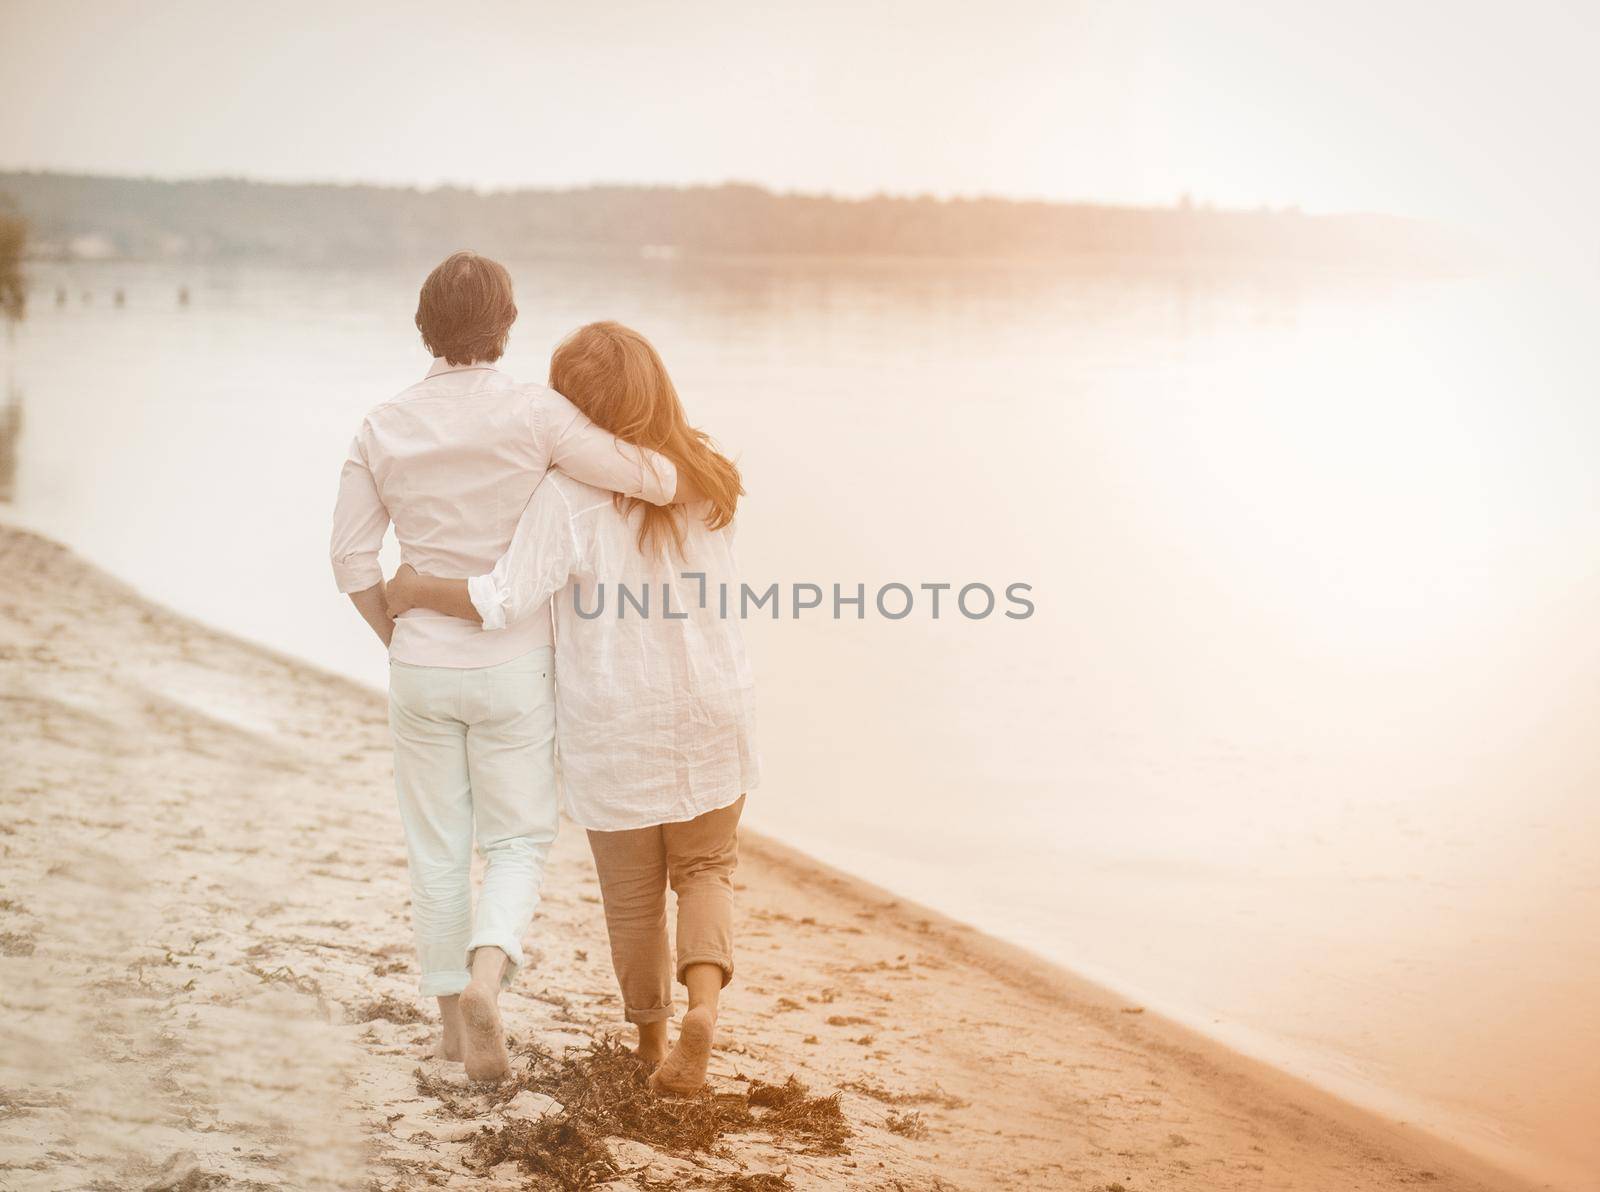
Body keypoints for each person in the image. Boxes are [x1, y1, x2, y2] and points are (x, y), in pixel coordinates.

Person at [329, 256, 694, 1082]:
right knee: (520, 842)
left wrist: (399, 635)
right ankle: (489, 975)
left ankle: (453, 1030)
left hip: (420, 661)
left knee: (436, 848)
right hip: (514, 664)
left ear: (423, 325)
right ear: (509, 323)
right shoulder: (540, 415)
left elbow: (351, 561)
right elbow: (658, 480)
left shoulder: (381, 425)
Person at [385, 320, 757, 1096]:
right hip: (713, 707)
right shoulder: (708, 475)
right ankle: (705, 1015)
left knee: (632, 898)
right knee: (706, 869)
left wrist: (416, 585)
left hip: (615, 722)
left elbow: (504, 598)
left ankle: (654, 1049)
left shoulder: (569, 495)